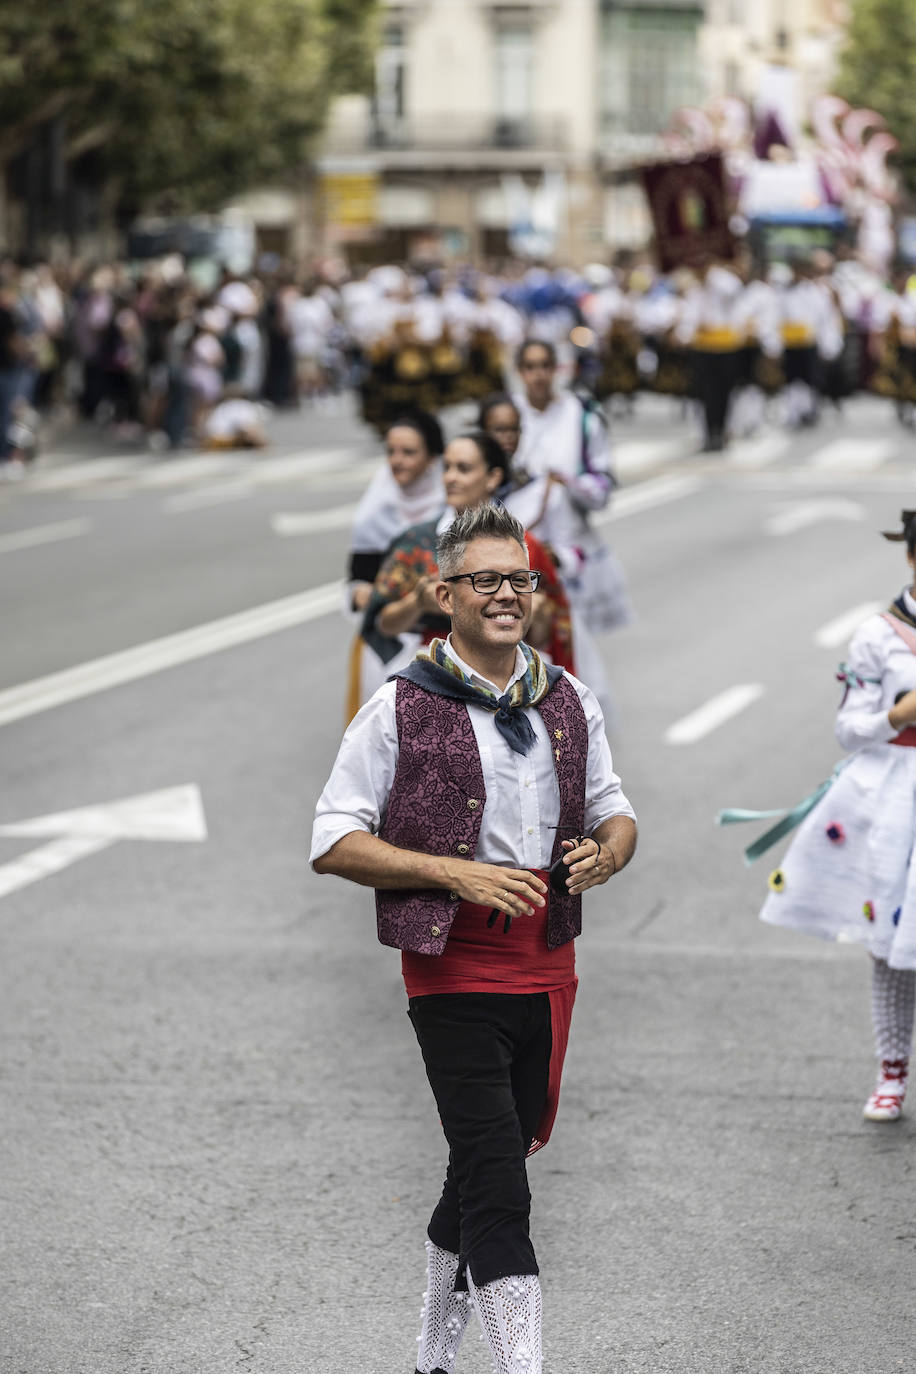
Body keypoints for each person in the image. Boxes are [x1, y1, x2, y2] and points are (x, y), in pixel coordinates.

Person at [310, 503, 637, 1374]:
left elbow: (616, 810)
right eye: (484, 580)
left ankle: (429, 1357)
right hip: (452, 971)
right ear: (444, 594)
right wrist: (454, 873)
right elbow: (333, 840)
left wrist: (606, 855)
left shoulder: (566, 696)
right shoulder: (400, 705)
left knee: (486, 1158)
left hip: (550, 965)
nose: (504, 595)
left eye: (517, 579)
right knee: (499, 1178)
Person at [746, 511, 916, 1121]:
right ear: (911, 558)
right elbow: (849, 729)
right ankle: (891, 1071)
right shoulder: (879, 634)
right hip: (896, 803)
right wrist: (900, 714)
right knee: (892, 946)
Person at [361, 429, 576, 678]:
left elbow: (547, 636)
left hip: (509, 676)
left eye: (463, 469)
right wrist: (417, 602)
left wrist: (537, 614)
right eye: (447, 468)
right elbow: (383, 624)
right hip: (434, 673)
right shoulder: (417, 543)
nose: (451, 478)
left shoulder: (524, 547)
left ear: (493, 477)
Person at [345, 411, 445, 722]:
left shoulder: (451, 507)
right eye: (391, 451)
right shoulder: (374, 513)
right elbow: (357, 579)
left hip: (444, 641)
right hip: (388, 637)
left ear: (432, 458)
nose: (397, 460)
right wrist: (363, 593)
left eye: (409, 452)